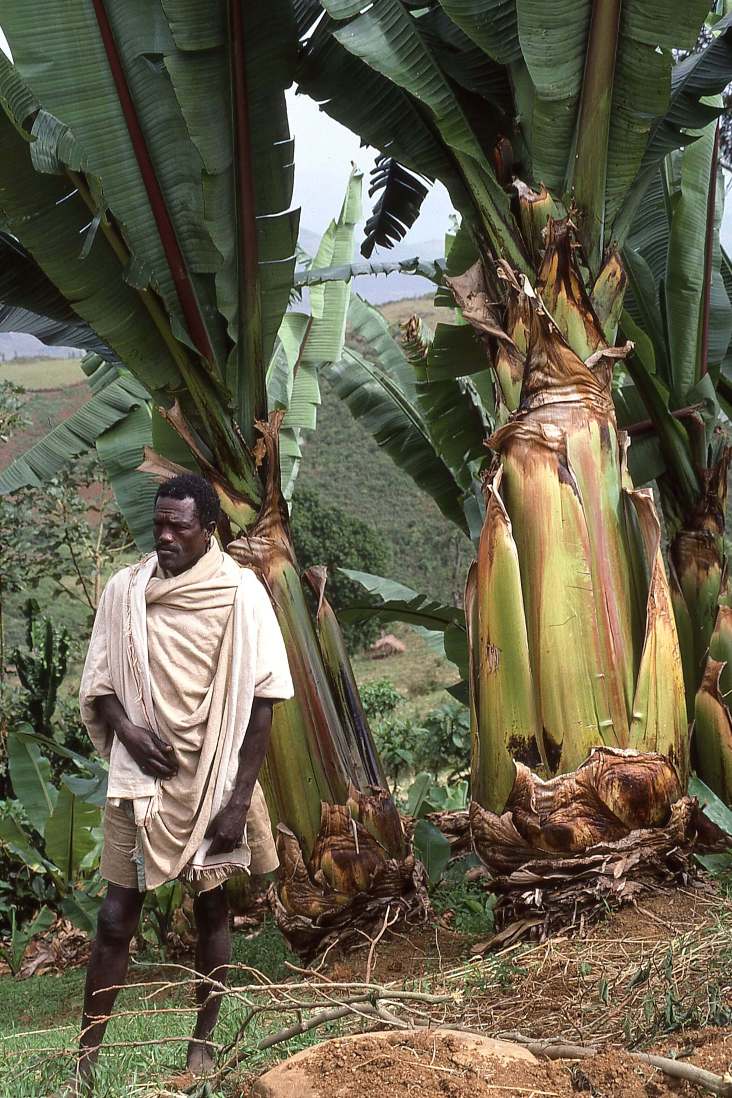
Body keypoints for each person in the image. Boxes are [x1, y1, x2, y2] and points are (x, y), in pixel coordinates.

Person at [69, 472, 293, 1092]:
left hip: (217, 777)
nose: (164, 536)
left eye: (180, 526)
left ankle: (202, 1043)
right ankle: (85, 1061)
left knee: (212, 910)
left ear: (210, 530)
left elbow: (264, 702)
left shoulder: (241, 596)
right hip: (139, 779)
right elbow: (102, 684)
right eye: (158, 524)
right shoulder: (125, 592)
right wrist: (127, 732)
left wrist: (238, 801)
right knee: (116, 917)